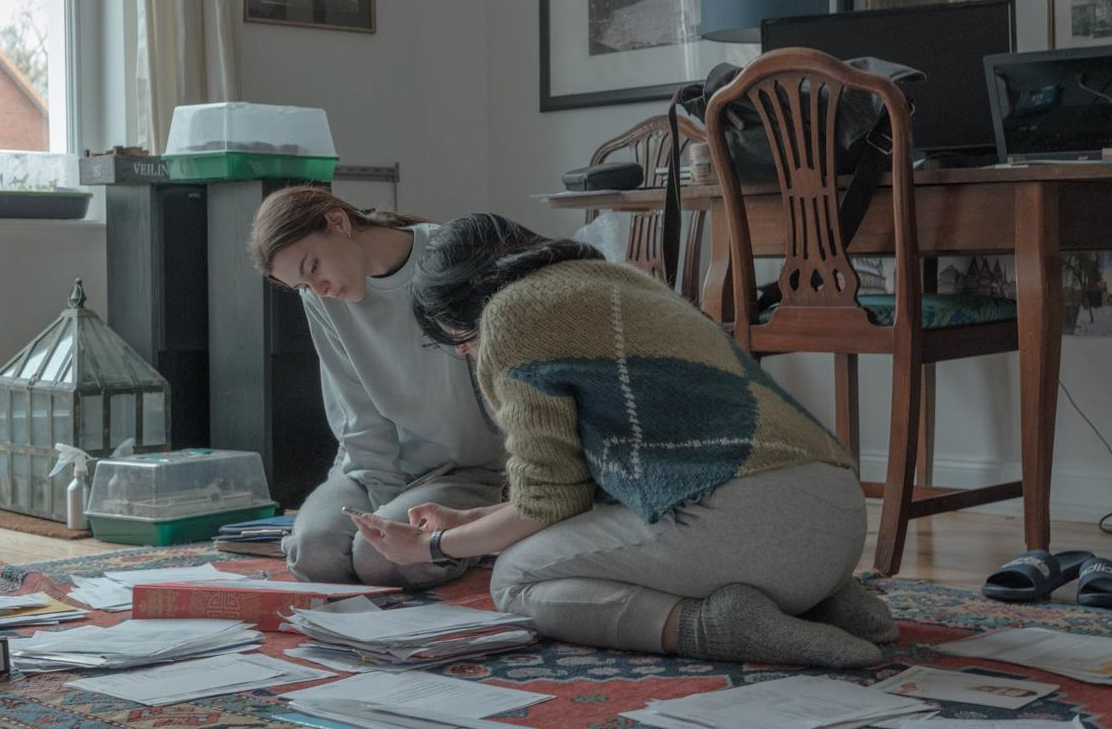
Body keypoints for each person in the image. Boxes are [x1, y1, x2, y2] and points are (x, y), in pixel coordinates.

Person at [347, 213, 898, 667]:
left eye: (460, 340)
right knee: (533, 545)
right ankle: (819, 600)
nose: (467, 352)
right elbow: (587, 491)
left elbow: (550, 502)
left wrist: (431, 549)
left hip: (759, 532)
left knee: (515, 578)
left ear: (467, 307)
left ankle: (721, 624)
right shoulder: (614, 279)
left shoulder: (510, 316)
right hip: (838, 516)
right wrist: (466, 522)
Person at [248, 187, 506, 588]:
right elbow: (356, 408)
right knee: (314, 553)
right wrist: (382, 503)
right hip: (370, 469)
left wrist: (386, 531)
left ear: (338, 222)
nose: (320, 289)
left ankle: (479, 539)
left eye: (314, 267)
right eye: (302, 285)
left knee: (380, 561)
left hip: (469, 471)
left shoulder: (447, 255)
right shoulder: (320, 300)